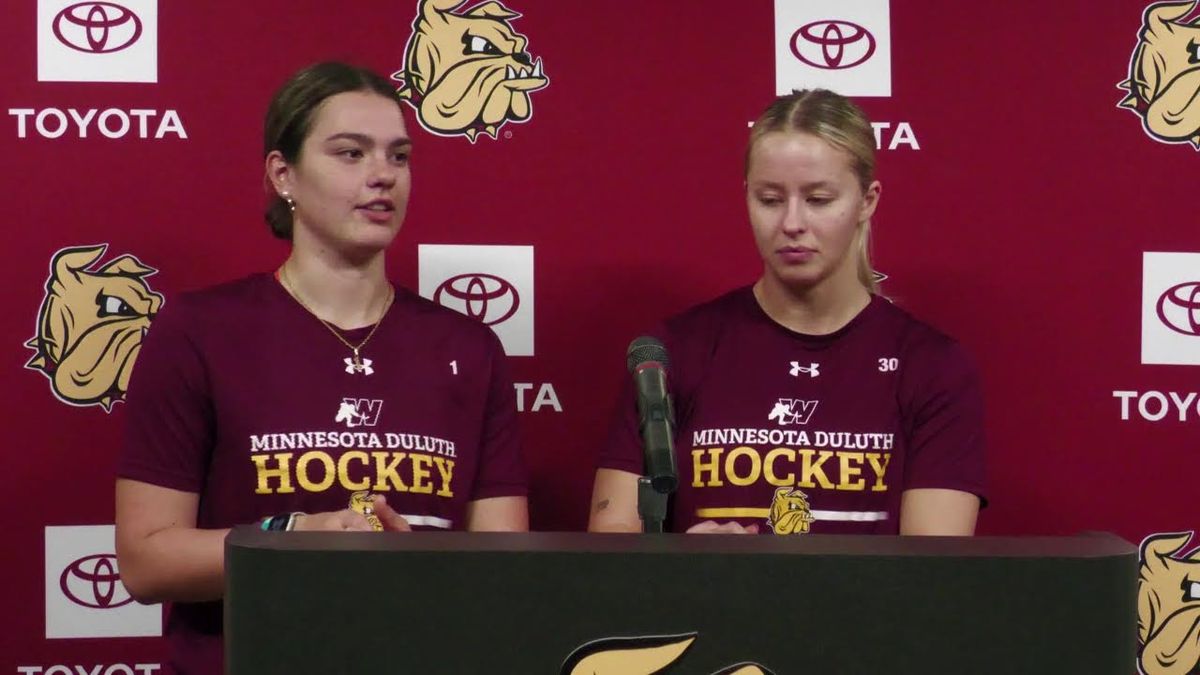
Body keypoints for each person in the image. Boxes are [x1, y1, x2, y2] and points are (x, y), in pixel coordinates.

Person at [115, 62, 528, 674]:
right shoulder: (199, 331)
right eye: (350, 153)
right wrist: (296, 538)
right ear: (283, 174)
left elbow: (507, 568)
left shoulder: (468, 347)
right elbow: (146, 561)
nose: (382, 174)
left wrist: (416, 562)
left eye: (399, 156)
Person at [588, 89, 985, 536]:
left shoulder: (931, 367)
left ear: (867, 200)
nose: (792, 223)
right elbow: (612, 540)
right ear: (747, 197)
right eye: (771, 199)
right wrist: (683, 562)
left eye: (818, 199)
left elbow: (933, 564)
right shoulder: (671, 354)